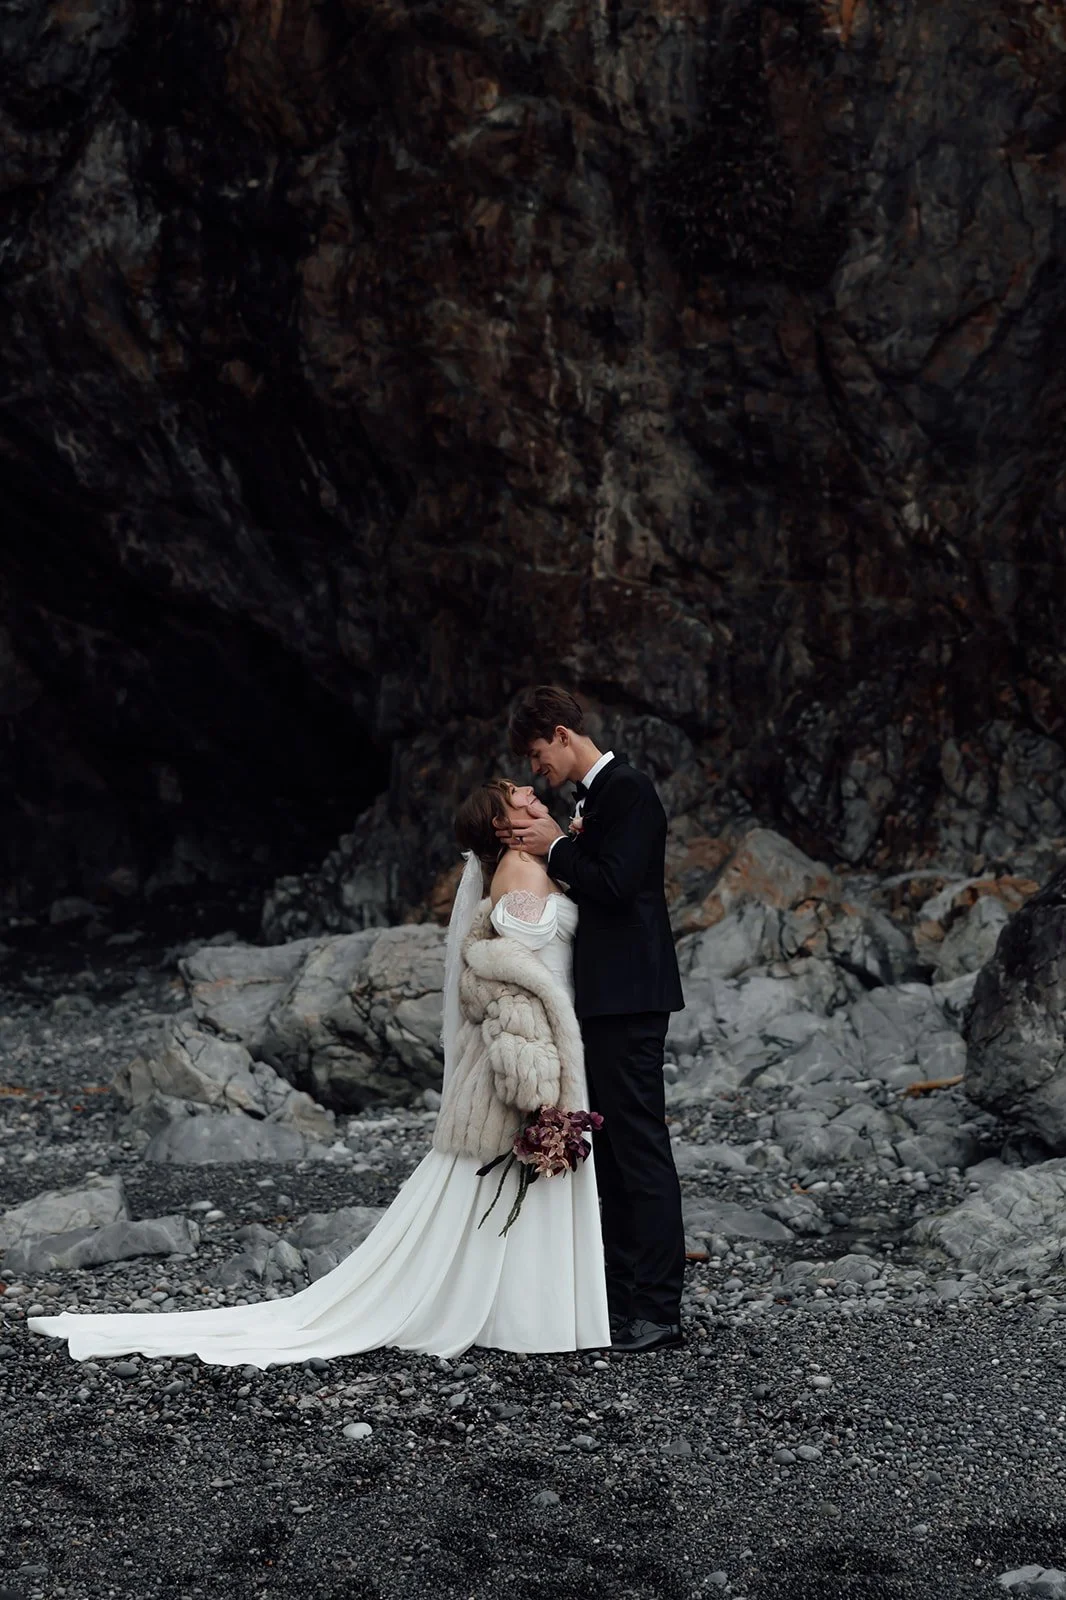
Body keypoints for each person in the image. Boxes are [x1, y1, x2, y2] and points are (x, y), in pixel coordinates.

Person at [29, 780, 609, 1366]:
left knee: (508, 1184)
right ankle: (526, 1315)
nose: (534, 793)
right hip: (534, 1049)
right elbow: (515, 987)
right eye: (519, 797)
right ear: (502, 826)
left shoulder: (535, 862)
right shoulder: (520, 871)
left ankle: (521, 1311)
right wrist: (537, 1081)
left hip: (553, 1041)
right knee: (507, 1180)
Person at [497, 686, 687, 1354]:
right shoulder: (596, 801)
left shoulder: (628, 790)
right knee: (611, 1151)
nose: (534, 769)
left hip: (632, 997)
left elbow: (616, 882)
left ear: (560, 734)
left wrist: (553, 845)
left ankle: (659, 1311)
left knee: (639, 1147)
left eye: (536, 753)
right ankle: (627, 1299)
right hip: (606, 998)